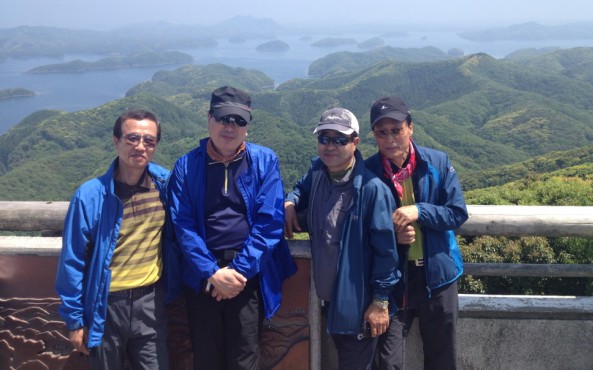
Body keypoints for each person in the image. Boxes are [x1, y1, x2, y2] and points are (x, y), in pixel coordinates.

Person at [168, 86, 295, 370]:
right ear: (209, 119)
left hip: (246, 275)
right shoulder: (186, 166)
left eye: (239, 120)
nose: (230, 126)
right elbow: (182, 224)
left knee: (244, 358)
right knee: (206, 358)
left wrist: (237, 273)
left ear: (247, 127)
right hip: (202, 274)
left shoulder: (264, 161)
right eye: (223, 118)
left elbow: (269, 222)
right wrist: (212, 273)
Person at [55, 109, 180, 370]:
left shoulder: (166, 186)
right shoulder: (90, 196)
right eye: (132, 138)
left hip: (151, 301)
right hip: (106, 305)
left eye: (149, 141)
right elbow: (72, 260)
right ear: (116, 141)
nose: (140, 146)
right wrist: (75, 320)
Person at [285, 107, 400, 370]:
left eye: (339, 139)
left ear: (355, 142)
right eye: (324, 138)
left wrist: (380, 302)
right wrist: (290, 202)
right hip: (330, 301)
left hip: (359, 305)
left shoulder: (372, 190)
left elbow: (386, 252)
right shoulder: (318, 173)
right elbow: (300, 188)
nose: (330, 146)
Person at [365, 96, 469, 370]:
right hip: (396, 279)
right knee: (388, 361)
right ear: (374, 135)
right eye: (382, 132)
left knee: (442, 359)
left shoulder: (437, 162)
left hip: (439, 275)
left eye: (396, 130)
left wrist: (420, 211)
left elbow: (457, 214)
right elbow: (361, 225)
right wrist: (393, 235)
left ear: (410, 128)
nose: (390, 139)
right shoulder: (369, 171)